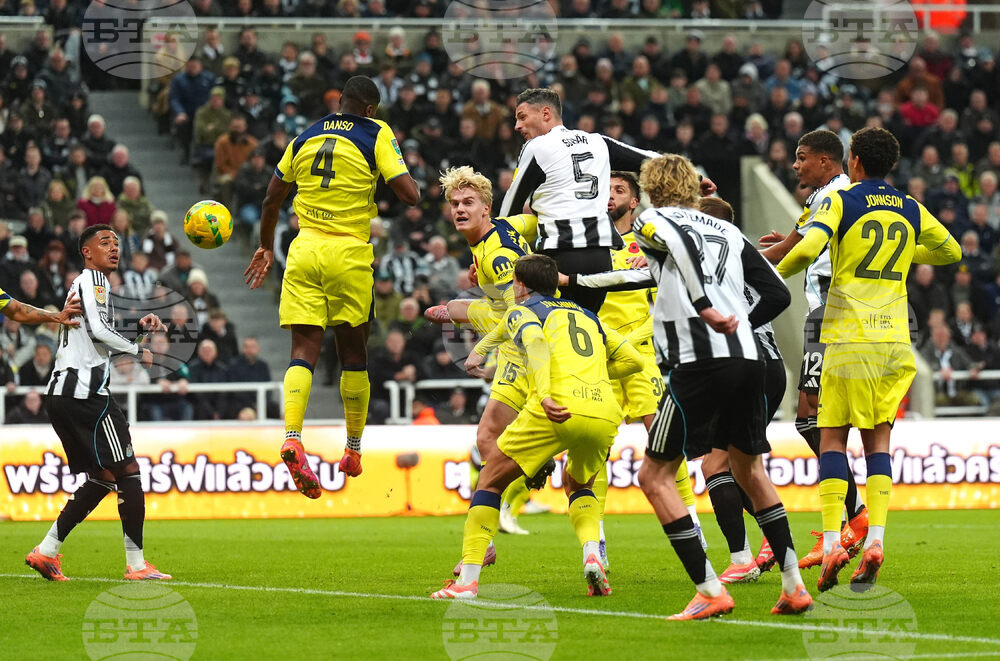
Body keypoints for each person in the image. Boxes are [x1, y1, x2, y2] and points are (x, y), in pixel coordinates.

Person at [777, 127, 962, 590]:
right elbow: (951, 250)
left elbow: (806, 250)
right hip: (895, 341)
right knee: (879, 442)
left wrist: (769, 276)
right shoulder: (910, 206)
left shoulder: (842, 201)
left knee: (831, 437)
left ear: (854, 161)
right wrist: (907, 255)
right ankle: (875, 540)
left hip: (848, 335)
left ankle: (834, 544)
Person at [633, 154, 807, 619]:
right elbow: (778, 293)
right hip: (750, 360)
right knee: (750, 471)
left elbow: (680, 249)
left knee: (654, 476)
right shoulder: (728, 230)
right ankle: (794, 586)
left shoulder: (653, 220)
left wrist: (706, 308)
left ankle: (710, 590)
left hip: (699, 361)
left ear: (651, 189)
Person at [243, 75, 419, 498]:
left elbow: (271, 199)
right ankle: (353, 450)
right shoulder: (375, 132)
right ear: (370, 109)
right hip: (348, 253)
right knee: (353, 354)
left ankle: (292, 436)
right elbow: (410, 195)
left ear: (339, 102)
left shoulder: (305, 135)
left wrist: (266, 247)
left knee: (303, 350)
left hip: (303, 250)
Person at [430, 254, 644, 600]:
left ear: (519, 285)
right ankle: (592, 554)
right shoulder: (587, 316)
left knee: (490, 479)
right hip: (603, 410)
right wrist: (595, 376)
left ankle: (467, 581)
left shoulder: (523, 311)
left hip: (556, 405)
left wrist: (544, 394)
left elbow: (536, 344)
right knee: (579, 484)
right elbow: (633, 360)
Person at [559, 171, 708, 567]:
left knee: (664, 439)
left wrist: (634, 340)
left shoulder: (647, 242)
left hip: (640, 355)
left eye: (619, 190)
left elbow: (667, 299)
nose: (610, 196)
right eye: (606, 189)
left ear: (634, 201)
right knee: (593, 448)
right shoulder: (584, 247)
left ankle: (692, 523)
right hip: (596, 359)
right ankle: (596, 542)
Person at [25, 224, 170, 582]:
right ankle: (137, 565)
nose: (114, 248)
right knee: (128, 470)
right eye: (105, 242)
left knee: (103, 477)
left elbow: (96, 343)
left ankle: (46, 551)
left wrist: (137, 331)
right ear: (87, 252)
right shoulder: (93, 280)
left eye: (117, 243)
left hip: (62, 395)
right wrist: (138, 349)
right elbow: (99, 332)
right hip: (85, 395)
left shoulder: (87, 286)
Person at [498, 88, 715, 314]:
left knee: (554, 329)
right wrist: (695, 179)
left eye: (522, 117)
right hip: (600, 259)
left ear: (545, 113)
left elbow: (511, 205)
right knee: (589, 326)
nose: (517, 126)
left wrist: (494, 249)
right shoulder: (597, 142)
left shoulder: (536, 147)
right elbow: (651, 160)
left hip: (559, 257)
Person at [758, 130, 870, 569]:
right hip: (825, 314)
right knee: (811, 419)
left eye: (802, 157)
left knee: (813, 417)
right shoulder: (825, 195)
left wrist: (735, 260)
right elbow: (791, 240)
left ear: (826, 161)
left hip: (829, 314)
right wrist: (774, 247)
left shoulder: (833, 196)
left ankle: (851, 519)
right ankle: (850, 518)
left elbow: (794, 251)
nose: (795, 165)